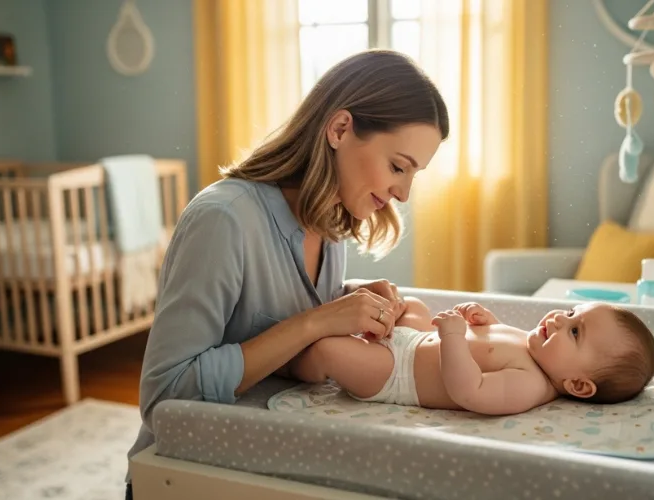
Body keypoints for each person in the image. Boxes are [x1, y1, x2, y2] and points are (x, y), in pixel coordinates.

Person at [123, 49, 449, 499]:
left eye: (414, 175)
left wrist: (346, 302)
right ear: (339, 129)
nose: (404, 193)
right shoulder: (223, 220)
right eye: (398, 167)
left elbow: (278, 311)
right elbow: (164, 399)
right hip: (183, 477)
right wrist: (317, 321)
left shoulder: (330, 219)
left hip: (257, 466)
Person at [291, 299, 654, 415]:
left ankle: (290, 365)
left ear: (578, 385)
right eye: (571, 312)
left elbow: (469, 389)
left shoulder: (529, 385)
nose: (560, 319)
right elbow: (492, 345)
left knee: (328, 350)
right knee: (413, 305)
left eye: (575, 331)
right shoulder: (536, 349)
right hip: (414, 339)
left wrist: (453, 337)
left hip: (395, 374)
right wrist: (485, 322)